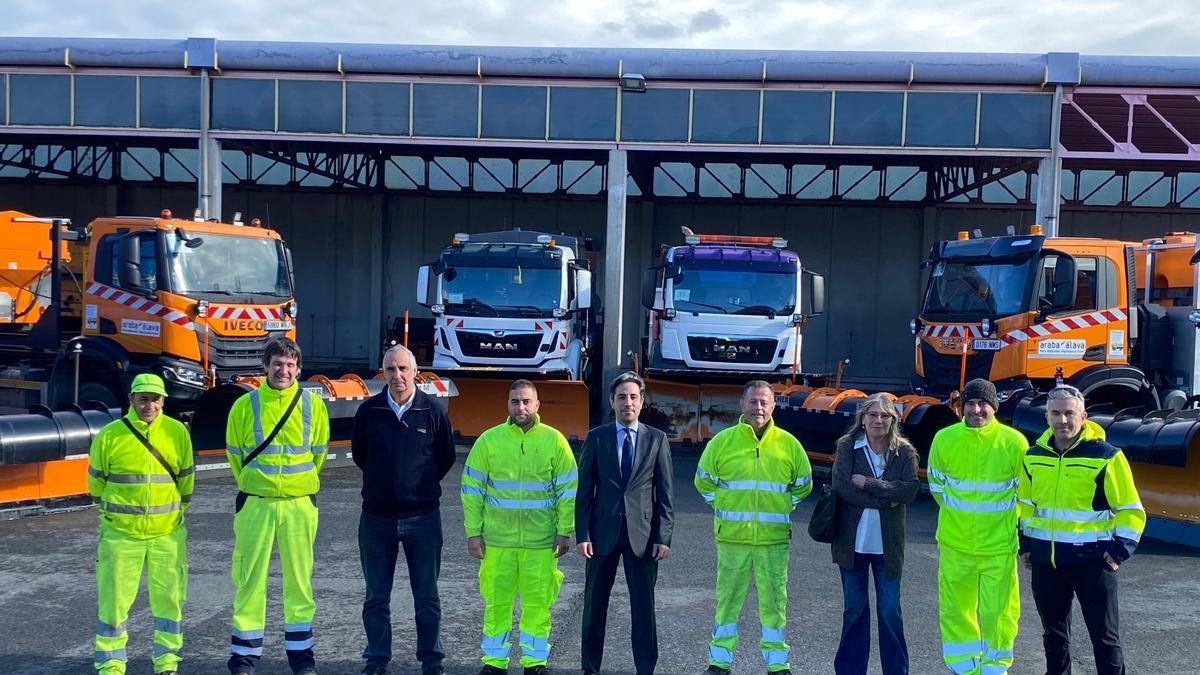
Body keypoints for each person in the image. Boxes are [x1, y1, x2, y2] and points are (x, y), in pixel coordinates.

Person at [1018, 385, 1145, 675]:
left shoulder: (1107, 456)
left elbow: (1130, 508)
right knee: (1054, 638)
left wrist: (1119, 551)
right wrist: (1026, 545)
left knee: (1105, 639)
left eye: (1069, 413)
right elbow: (1025, 505)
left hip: (1093, 564)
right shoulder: (1033, 456)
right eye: (1055, 413)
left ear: (1083, 416)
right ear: (1046, 417)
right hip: (1047, 564)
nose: (1062, 420)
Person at [225, 337, 330, 675]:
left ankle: (301, 657)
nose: (283, 370)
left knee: (299, 583)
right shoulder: (244, 406)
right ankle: (244, 658)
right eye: (277, 364)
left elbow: (319, 453)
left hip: (299, 505)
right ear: (266, 367)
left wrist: (296, 487)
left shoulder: (313, 406)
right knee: (249, 580)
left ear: (298, 369)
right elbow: (234, 455)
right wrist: (259, 485)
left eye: (289, 365)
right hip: (256, 504)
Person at [694, 380, 813, 675]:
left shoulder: (789, 444)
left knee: (774, 604)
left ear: (772, 407)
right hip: (732, 539)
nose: (758, 407)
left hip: (773, 541)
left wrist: (782, 506)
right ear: (742, 405)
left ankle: (777, 664)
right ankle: (719, 662)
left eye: (763, 402)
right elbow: (703, 481)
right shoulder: (722, 442)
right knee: (727, 603)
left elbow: (804, 484)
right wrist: (723, 505)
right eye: (753, 402)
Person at [352, 345, 457, 675]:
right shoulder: (369, 411)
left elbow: (446, 458)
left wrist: (418, 488)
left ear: (415, 372)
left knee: (427, 596)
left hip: (423, 518)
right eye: (390, 369)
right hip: (377, 518)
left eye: (403, 369)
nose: (397, 375)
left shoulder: (433, 411)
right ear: (382, 373)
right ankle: (376, 658)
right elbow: (360, 455)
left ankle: (431, 660)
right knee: (376, 596)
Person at [461, 380, 577, 675]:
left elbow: (568, 491)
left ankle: (535, 663)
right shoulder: (489, 441)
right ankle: (494, 662)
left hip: (540, 542)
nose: (521, 407)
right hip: (497, 541)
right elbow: (472, 491)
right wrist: (473, 533)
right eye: (515, 401)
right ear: (508, 404)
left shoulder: (554, 441)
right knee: (496, 605)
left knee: (538, 606)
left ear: (537, 404)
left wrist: (565, 530)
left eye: (526, 401)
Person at [89, 373, 194, 675]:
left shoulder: (177, 432)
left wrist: (170, 514)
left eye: (155, 399)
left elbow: (186, 480)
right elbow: (95, 483)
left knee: (169, 602)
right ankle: (111, 664)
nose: (150, 405)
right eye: (144, 399)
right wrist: (116, 516)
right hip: (121, 535)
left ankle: (167, 662)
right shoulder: (110, 435)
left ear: (163, 401)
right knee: (113, 604)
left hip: (167, 534)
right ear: (131, 399)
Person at [576, 371, 675, 675]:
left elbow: (665, 493)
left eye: (633, 397)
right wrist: (583, 534)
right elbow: (584, 490)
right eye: (621, 397)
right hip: (601, 534)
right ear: (612, 401)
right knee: (594, 605)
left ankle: (645, 667)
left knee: (643, 607)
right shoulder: (596, 437)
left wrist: (663, 537)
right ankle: (589, 667)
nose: (627, 402)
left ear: (642, 402)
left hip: (642, 536)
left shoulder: (657, 439)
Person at [927, 378, 1027, 675]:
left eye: (983, 403)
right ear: (962, 406)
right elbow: (937, 486)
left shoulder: (1014, 442)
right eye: (970, 403)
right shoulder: (944, 439)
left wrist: (1005, 526)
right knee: (956, 609)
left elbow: (1024, 494)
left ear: (994, 406)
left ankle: (994, 668)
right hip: (955, 543)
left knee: (1000, 611)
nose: (976, 409)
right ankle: (964, 667)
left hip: (998, 545)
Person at [830, 393, 919, 675]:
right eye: (873, 415)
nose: (878, 420)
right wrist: (888, 497)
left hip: (887, 548)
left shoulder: (904, 452)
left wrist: (869, 483)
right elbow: (843, 488)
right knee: (854, 610)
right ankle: (850, 671)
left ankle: (896, 671)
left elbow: (909, 490)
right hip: (852, 545)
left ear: (893, 420)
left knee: (890, 611)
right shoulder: (848, 447)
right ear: (863, 419)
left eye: (884, 415)